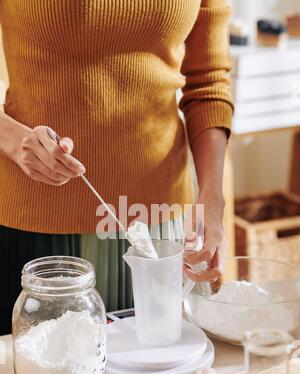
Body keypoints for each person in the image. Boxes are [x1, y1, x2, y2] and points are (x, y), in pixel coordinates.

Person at [0, 0, 233, 334]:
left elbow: (209, 84)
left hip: (160, 220)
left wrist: (212, 195)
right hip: (38, 220)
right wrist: (13, 139)